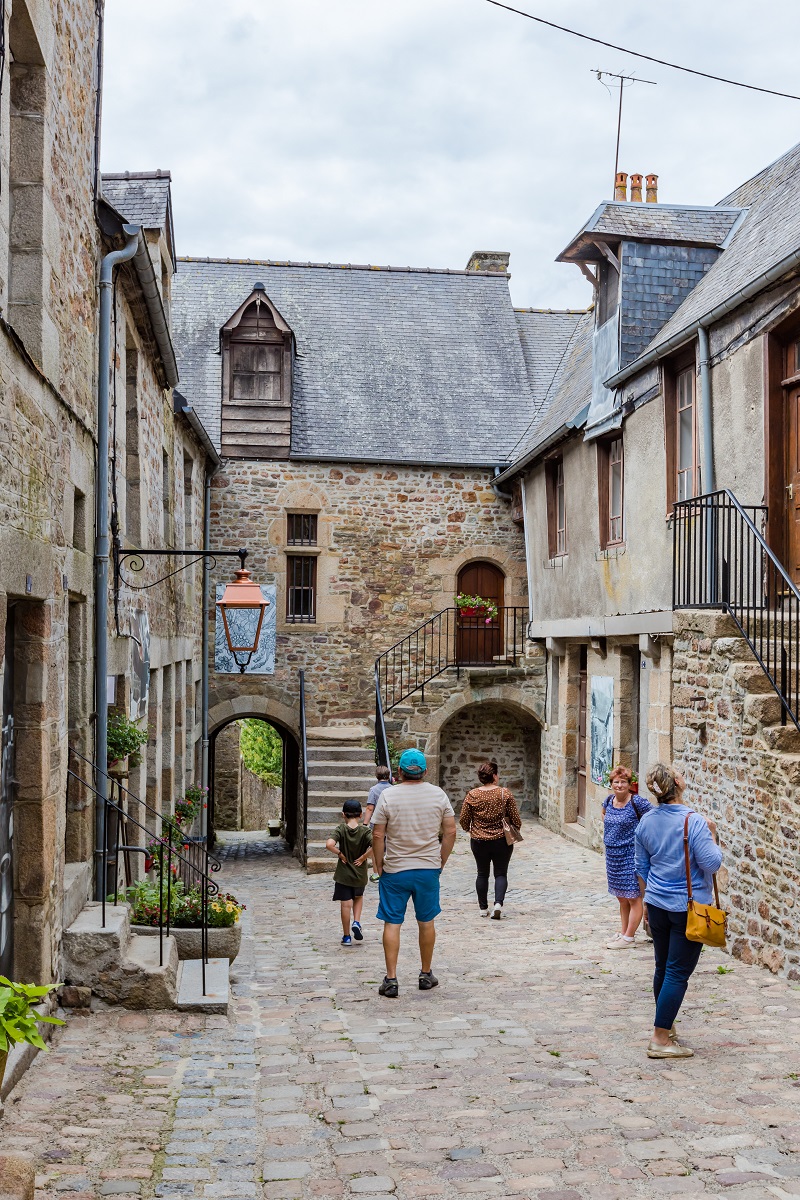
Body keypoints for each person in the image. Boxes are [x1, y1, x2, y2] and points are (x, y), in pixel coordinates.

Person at [635, 761, 722, 1059]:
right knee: (677, 972)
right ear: (677, 784)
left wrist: (646, 902)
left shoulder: (646, 821)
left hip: (657, 904)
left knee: (662, 967)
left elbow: (642, 868)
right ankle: (660, 1038)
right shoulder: (694, 822)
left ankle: (667, 1027)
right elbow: (711, 865)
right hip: (688, 908)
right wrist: (713, 835)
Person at [371, 748, 457, 997]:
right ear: (425, 771)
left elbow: (377, 834)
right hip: (427, 868)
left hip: (396, 869)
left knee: (392, 922)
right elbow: (451, 831)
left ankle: (391, 979)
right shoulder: (438, 795)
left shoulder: (387, 796)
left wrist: (378, 864)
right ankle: (426, 974)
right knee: (426, 921)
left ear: (399, 772)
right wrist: (441, 861)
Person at [459, 760, 522, 919]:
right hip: (501, 840)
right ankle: (498, 904)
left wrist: (470, 830)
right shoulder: (504, 793)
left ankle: (482, 908)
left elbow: (464, 820)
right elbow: (516, 819)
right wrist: (515, 828)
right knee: (500, 873)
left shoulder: (473, 795)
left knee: (482, 873)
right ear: (494, 775)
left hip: (479, 840)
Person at [602, 765, 653, 949]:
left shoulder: (637, 802)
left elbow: (653, 818)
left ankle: (630, 937)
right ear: (612, 784)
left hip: (630, 855)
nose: (619, 785)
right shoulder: (608, 801)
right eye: (616, 782)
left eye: (623, 782)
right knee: (621, 897)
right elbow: (605, 819)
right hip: (612, 856)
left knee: (634, 897)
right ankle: (624, 933)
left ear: (630, 784)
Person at [325, 799, 373, 946]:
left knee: (346, 905)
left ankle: (346, 936)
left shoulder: (341, 829)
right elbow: (377, 845)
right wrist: (364, 857)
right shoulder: (365, 831)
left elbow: (329, 844)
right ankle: (356, 922)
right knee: (358, 897)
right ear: (360, 814)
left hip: (343, 875)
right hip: (360, 873)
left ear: (343, 814)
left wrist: (339, 853)